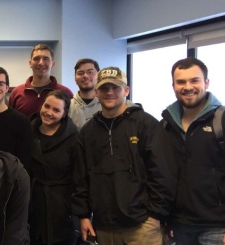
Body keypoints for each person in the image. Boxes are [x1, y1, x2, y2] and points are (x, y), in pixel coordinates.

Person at [72, 67, 173, 245]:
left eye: (116, 87)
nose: (110, 92)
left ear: (126, 90)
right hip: (103, 226)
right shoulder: (87, 132)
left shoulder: (146, 124)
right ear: (96, 92)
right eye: (104, 88)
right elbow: (81, 178)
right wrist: (84, 215)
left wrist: (156, 215)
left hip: (142, 226)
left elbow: (161, 173)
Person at [158, 57, 225, 244]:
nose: (188, 87)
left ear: (206, 83)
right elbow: (165, 175)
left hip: (218, 226)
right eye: (181, 82)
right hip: (179, 225)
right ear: (173, 86)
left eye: (194, 80)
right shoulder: (166, 125)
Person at [28, 90, 79, 245]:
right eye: (46, 106)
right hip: (32, 204)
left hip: (62, 207)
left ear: (64, 114)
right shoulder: (27, 131)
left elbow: (80, 178)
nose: (48, 112)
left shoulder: (75, 138)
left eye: (56, 110)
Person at [9, 44, 73, 117]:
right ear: (30, 63)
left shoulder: (66, 93)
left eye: (45, 59)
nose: (41, 63)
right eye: (36, 59)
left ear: (53, 64)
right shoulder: (16, 93)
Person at [69, 58, 101, 130]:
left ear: (99, 76)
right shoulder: (68, 106)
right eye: (80, 73)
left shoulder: (107, 105)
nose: (85, 76)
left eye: (90, 72)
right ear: (75, 79)